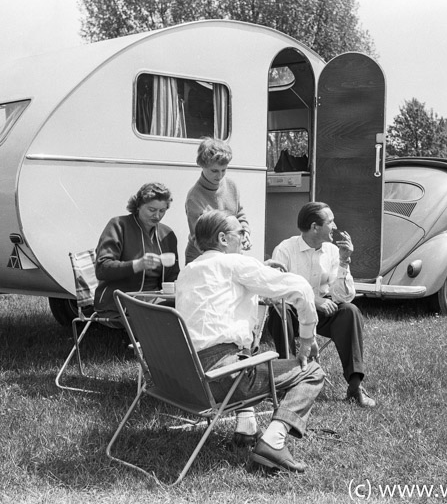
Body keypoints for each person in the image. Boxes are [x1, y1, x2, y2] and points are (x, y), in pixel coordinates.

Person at [175, 209, 324, 473]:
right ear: (223, 238)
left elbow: (223, 298)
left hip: (185, 379)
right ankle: (273, 442)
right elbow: (301, 289)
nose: (245, 239)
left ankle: (246, 429)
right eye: (240, 233)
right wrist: (305, 339)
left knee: (246, 348)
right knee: (311, 372)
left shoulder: (187, 271)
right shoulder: (236, 264)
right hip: (222, 377)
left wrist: (259, 272)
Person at [267, 202, 377, 408]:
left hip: (324, 314)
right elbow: (277, 290)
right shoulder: (285, 250)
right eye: (330, 222)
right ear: (315, 227)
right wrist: (313, 300)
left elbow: (343, 297)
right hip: (293, 313)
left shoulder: (333, 251)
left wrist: (345, 261)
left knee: (350, 312)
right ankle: (288, 381)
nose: (335, 226)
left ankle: (355, 387)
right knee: (279, 312)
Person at [94, 182, 180, 319]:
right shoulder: (118, 225)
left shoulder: (167, 234)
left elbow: (173, 275)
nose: (157, 216)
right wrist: (137, 265)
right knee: (161, 318)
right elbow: (102, 268)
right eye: (152, 210)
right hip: (120, 300)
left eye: (162, 211)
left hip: (155, 299)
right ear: (138, 206)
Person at [184, 137, 251, 264]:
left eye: (223, 170)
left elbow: (239, 214)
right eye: (214, 171)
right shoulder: (194, 197)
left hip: (229, 253)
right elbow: (198, 239)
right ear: (202, 165)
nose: (219, 176)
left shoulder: (231, 186)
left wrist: (244, 232)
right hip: (202, 259)